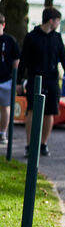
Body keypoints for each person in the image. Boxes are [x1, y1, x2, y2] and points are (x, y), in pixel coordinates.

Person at [18, 7, 65, 157]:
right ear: (51, 21)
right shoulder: (31, 37)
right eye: (57, 21)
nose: (58, 24)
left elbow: (63, 58)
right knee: (31, 111)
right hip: (34, 80)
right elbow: (23, 60)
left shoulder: (57, 37)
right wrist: (18, 82)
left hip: (52, 80)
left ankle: (43, 144)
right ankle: (30, 145)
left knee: (50, 113)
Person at [0, 13, 21, 145]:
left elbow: (16, 61)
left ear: (3, 25)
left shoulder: (10, 41)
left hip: (6, 79)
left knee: (5, 107)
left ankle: (3, 132)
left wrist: (15, 78)